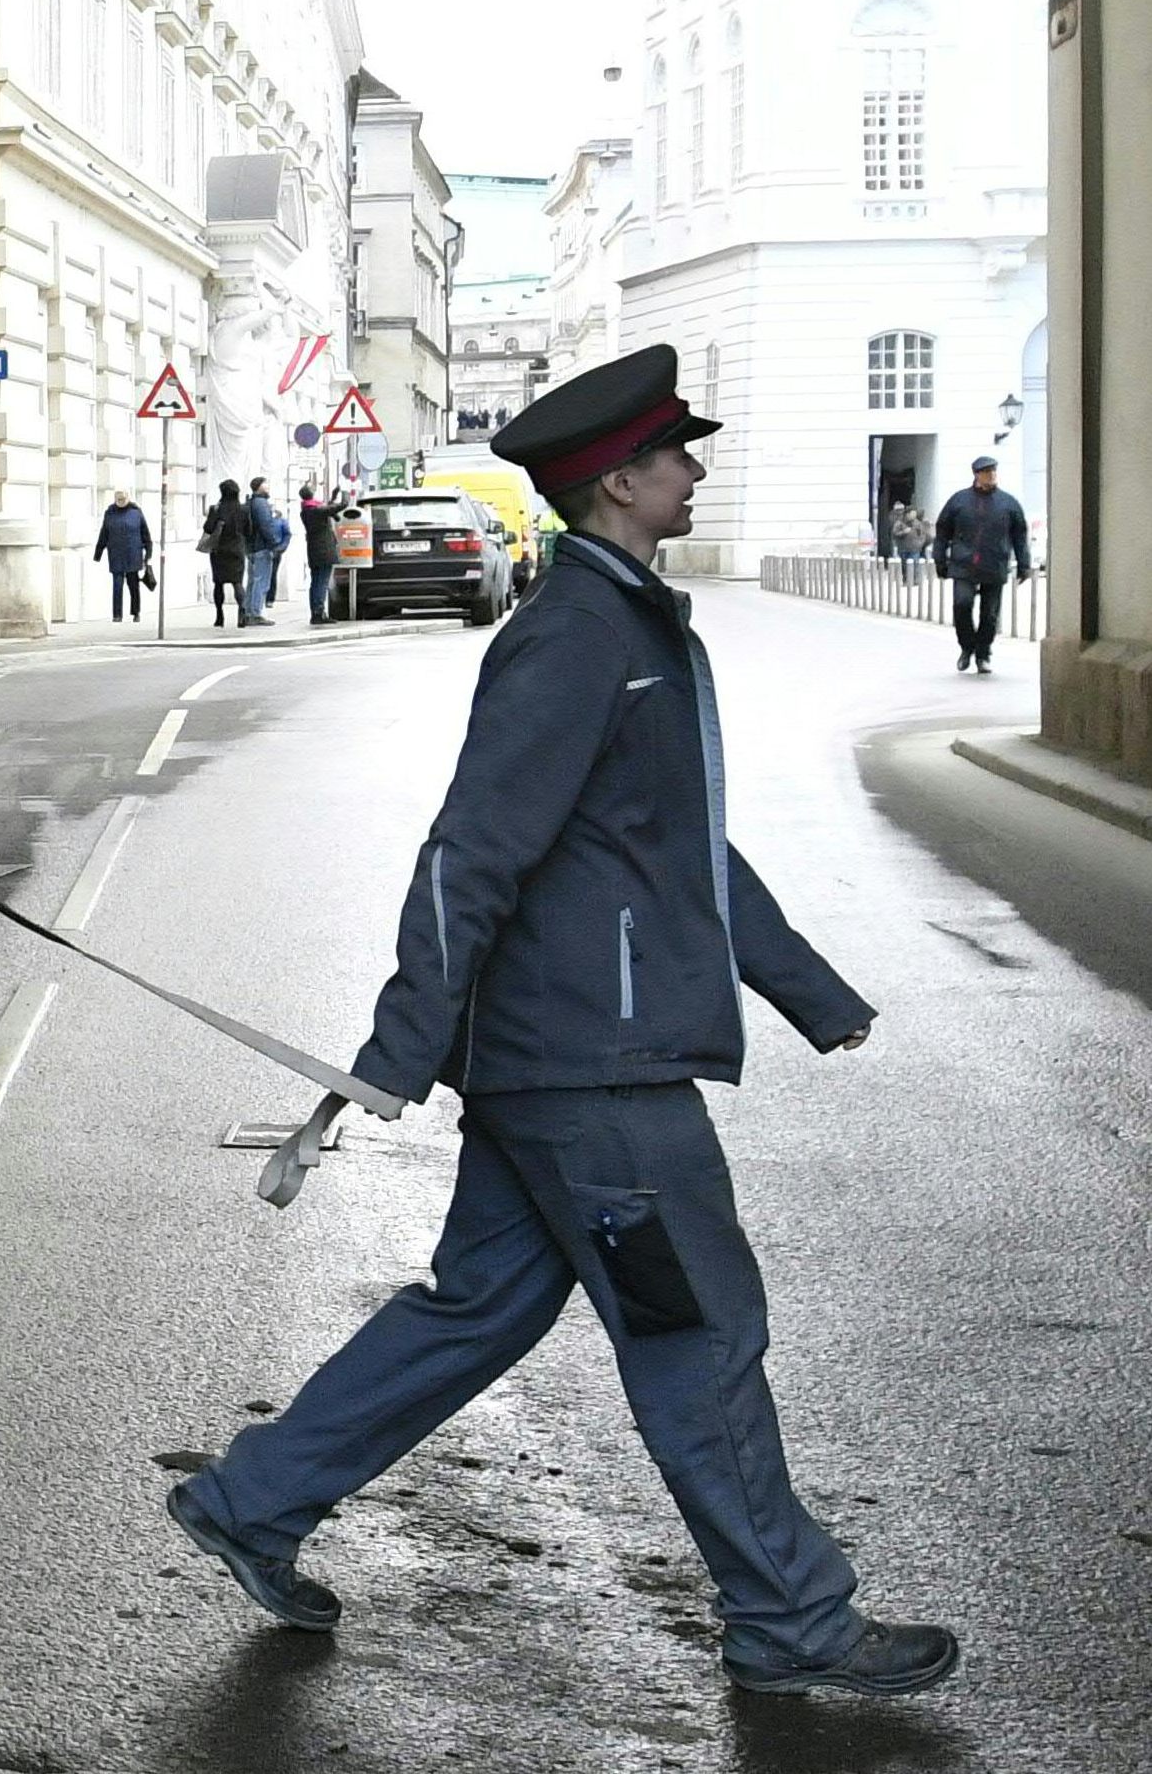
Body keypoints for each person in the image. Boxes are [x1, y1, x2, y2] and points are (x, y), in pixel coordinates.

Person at [167, 343, 956, 1701]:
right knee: (696, 1329)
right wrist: (395, 1053)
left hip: (572, 1056)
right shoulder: (579, 636)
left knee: (475, 1309)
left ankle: (255, 1500)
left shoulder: (625, 617)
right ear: (616, 483)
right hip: (594, 1071)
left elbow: (673, 847)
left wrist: (809, 991)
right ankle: (788, 1614)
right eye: (676, 455)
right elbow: (470, 848)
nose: (695, 470)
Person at [930, 456, 1031, 675]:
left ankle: (983, 654)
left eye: (993, 472)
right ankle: (967, 647)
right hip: (963, 564)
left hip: (994, 564)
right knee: (962, 605)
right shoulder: (959, 501)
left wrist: (1024, 564)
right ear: (976, 475)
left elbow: (1020, 536)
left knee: (990, 614)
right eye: (986, 472)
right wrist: (940, 558)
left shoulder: (1008, 503)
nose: (991, 476)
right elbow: (942, 530)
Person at [92, 489, 153, 623]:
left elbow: (145, 534)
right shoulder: (110, 513)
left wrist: (148, 554)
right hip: (116, 554)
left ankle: (136, 612)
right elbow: (104, 533)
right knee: (117, 586)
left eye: (123, 499)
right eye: (118, 499)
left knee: (133, 585)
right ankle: (117, 614)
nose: (120, 502)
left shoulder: (136, 512)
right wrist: (98, 553)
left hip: (133, 554)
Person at [200, 478, 251, 629]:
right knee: (237, 583)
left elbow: (208, 528)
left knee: (219, 583)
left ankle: (219, 615)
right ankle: (242, 613)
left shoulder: (216, 509)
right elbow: (249, 530)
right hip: (237, 550)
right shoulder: (243, 510)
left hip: (219, 551)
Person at [242, 477, 290, 628]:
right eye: (265, 484)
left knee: (252, 581)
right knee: (261, 582)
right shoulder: (261, 504)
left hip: (251, 547)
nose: (268, 486)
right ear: (258, 486)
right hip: (262, 547)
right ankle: (255, 613)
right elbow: (266, 526)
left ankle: (249, 612)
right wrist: (274, 544)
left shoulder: (250, 502)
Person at [298, 485, 340, 624]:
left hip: (314, 550)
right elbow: (334, 509)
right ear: (311, 494)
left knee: (316, 581)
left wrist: (333, 497)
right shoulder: (314, 510)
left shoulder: (307, 509)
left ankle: (316, 611)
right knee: (321, 582)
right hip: (324, 551)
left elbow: (326, 509)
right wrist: (346, 496)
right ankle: (319, 613)